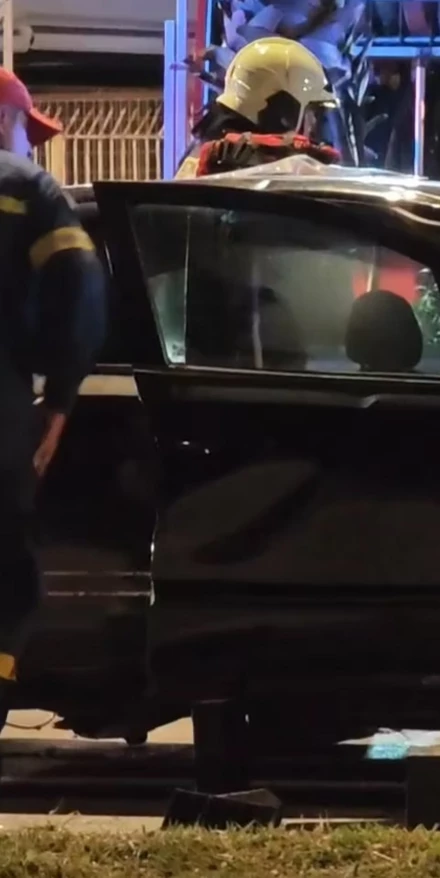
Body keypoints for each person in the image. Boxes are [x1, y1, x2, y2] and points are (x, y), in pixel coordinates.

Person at [0, 67, 107, 725]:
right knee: (7, 583)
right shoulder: (25, 188)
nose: (31, 147)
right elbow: (80, 287)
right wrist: (61, 396)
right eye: (25, 129)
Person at [176, 36, 341, 178]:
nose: (313, 123)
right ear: (283, 111)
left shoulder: (214, 152)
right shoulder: (250, 166)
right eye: (311, 111)